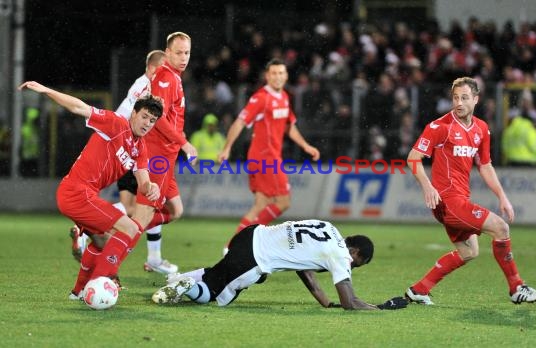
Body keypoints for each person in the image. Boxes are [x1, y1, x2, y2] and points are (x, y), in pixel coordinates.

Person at [405, 77, 536, 305]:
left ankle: (419, 290)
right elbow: (413, 159)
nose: (459, 103)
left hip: (459, 200)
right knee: (501, 228)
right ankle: (516, 288)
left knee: (469, 252)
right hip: (448, 201)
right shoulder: (439, 127)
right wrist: (427, 185)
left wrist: (502, 197)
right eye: (455, 98)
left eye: (464, 98)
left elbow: (485, 165)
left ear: (476, 99)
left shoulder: (481, 129)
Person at [18, 81, 163, 299]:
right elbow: (79, 107)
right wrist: (47, 90)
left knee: (101, 241)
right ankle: (102, 282)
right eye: (144, 116)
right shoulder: (116, 124)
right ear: (133, 112)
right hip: (76, 193)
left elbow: (143, 182)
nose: (147, 123)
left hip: (84, 195)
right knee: (131, 229)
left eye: (152, 121)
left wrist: (151, 188)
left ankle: (77, 292)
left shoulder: (140, 148)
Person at [69, 50, 178, 274]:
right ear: (152, 69)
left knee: (140, 208)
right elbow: (156, 120)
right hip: (130, 148)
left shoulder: (149, 86)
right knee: (147, 209)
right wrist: (182, 141)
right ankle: (94, 237)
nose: (167, 73)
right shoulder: (149, 88)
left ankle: (152, 256)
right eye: (164, 68)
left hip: (131, 147)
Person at [151, 220, 408, 310]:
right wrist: (378, 308)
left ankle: (177, 280)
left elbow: (302, 266)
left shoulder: (328, 227)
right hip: (254, 259)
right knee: (213, 295)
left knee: (219, 273)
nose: (351, 267)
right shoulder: (341, 255)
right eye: (356, 263)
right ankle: (187, 286)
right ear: (354, 251)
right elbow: (350, 303)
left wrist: (325, 301)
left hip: (251, 234)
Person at [218, 58, 320, 252]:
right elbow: (240, 122)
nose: (278, 77)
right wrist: (227, 147)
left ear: (286, 75)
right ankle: (243, 244)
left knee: (261, 204)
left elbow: (290, 127)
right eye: (274, 73)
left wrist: (306, 146)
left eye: (281, 73)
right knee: (283, 202)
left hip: (267, 157)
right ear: (267, 76)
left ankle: (233, 246)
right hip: (265, 158)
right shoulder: (261, 98)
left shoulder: (283, 97)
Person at [132, 32, 198, 265]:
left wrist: (180, 140)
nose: (183, 57)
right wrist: (185, 143)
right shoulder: (166, 78)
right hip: (156, 154)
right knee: (142, 217)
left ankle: (119, 232)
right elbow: (157, 118)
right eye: (178, 52)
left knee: (176, 210)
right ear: (167, 53)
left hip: (166, 156)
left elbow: (170, 117)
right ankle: (105, 260)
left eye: (187, 53)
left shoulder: (173, 77)